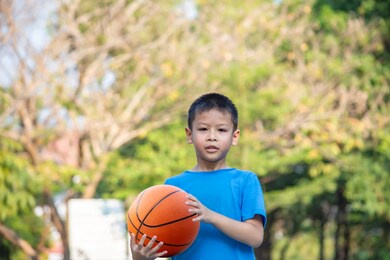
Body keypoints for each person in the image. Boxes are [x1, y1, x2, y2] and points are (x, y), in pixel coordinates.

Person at [130, 93, 267, 260]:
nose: (212, 136)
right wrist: (140, 257)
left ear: (234, 136)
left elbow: (255, 237)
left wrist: (210, 216)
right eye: (203, 129)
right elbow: (163, 243)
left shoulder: (245, 181)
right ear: (189, 135)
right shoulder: (171, 188)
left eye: (221, 130)